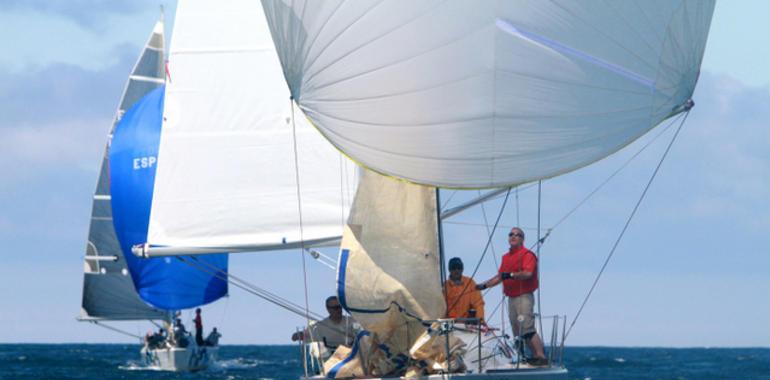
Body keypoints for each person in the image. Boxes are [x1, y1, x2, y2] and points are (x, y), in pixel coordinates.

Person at [477, 227, 548, 366]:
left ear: (522, 239)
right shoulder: (506, 257)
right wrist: (484, 286)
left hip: (524, 296)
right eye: (511, 234)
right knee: (517, 330)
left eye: (518, 235)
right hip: (511, 297)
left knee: (527, 328)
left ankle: (540, 356)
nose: (514, 236)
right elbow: (499, 277)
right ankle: (526, 357)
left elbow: (527, 273)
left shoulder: (528, 255)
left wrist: (510, 275)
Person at [291, 296, 358, 349]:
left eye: (340, 307)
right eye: (335, 308)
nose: (338, 310)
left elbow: (364, 331)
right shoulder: (320, 327)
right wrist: (298, 335)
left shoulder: (352, 322)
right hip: (332, 362)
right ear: (328, 309)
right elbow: (296, 337)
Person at [444, 257, 485, 323]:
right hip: (449, 324)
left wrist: (481, 321)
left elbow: (478, 304)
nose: (456, 270)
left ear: (462, 269)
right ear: (449, 269)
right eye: (453, 268)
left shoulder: (470, 283)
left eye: (459, 268)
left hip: (467, 325)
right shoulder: (444, 287)